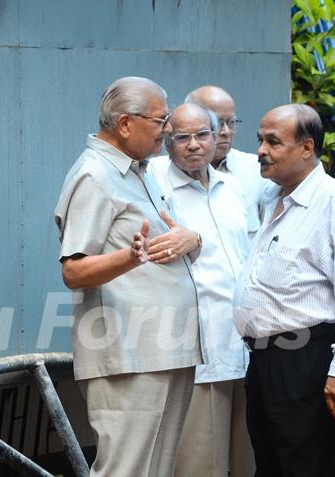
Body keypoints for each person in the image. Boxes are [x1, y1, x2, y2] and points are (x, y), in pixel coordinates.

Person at [53, 77, 203, 477]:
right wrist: (128, 258)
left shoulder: (141, 171)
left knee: (157, 469)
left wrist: (191, 240)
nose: (168, 128)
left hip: (166, 347)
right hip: (128, 353)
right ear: (124, 123)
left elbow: (164, 242)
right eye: (161, 120)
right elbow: (74, 270)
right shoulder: (94, 175)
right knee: (126, 470)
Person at [233, 104, 335, 476]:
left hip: (310, 365)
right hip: (265, 362)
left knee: (314, 467)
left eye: (273, 142)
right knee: (272, 466)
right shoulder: (272, 199)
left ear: (306, 147)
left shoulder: (334, 202)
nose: (261, 151)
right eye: (260, 140)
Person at [148, 102, 254, 477]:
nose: (194, 144)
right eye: (182, 137)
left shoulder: (233, 187)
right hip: (199, 352)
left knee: (248, 461)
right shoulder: (155, 185)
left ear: (216, 138)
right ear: (167, 142)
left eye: (202, 134)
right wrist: (192, 240)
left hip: (246, 347)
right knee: (200, 464)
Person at [187, 85, 269, 238]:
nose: (225, 132)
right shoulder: (161, 172)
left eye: (231, 123)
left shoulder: (255, 169)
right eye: (217, 123)